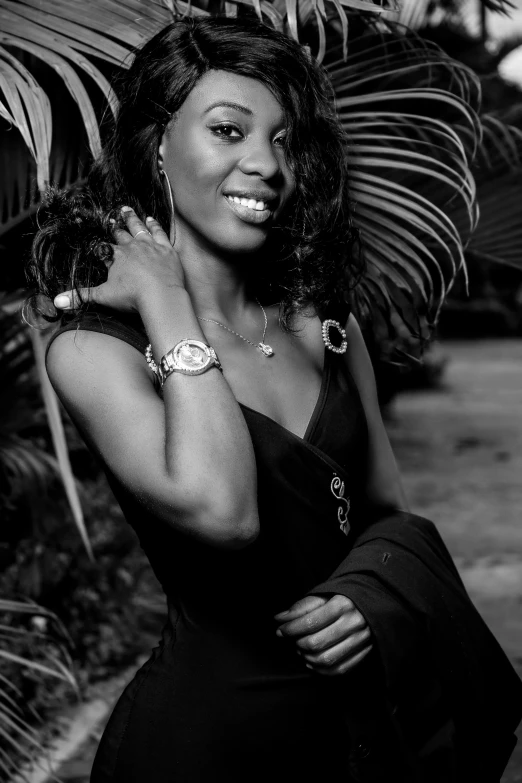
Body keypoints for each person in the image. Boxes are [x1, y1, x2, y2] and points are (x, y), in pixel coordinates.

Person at [30, 15, 522, 783]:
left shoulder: (325, 323)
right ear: (158, 143)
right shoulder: (95, 349)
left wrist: (374, 595)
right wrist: (165, 302)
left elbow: (390, 512)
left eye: (284, 140)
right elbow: (225, 513)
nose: (265, 163)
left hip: (366, 738)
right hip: (207, 746)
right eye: (229, 130)